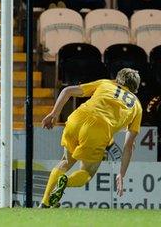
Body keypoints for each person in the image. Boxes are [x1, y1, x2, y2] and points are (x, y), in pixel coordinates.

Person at [39, 68, 142, 208]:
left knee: (66, 161)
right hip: (98, 129)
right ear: (135, 88)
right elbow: (128, 146)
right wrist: (121, 174)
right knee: (87, 172)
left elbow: (67, 91)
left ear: (117, 79)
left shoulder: (105, 83)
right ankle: (65, 181)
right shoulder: (136, 106)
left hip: (77, 118)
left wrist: (54, 114)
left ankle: (45, 201)